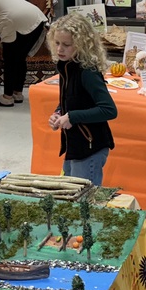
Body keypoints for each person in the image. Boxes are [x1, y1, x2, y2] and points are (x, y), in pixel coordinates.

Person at [46, 13, 117, 185]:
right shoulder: (66, 66)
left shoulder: (88, 72)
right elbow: (71, 98)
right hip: (75, 145)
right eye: (57, 43)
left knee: (84, 200)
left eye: (66, 45)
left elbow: (109, 110)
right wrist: (59, 112)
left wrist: (72, 117)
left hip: (90, 148)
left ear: (81, 44)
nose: (60, 49)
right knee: (72, 193)